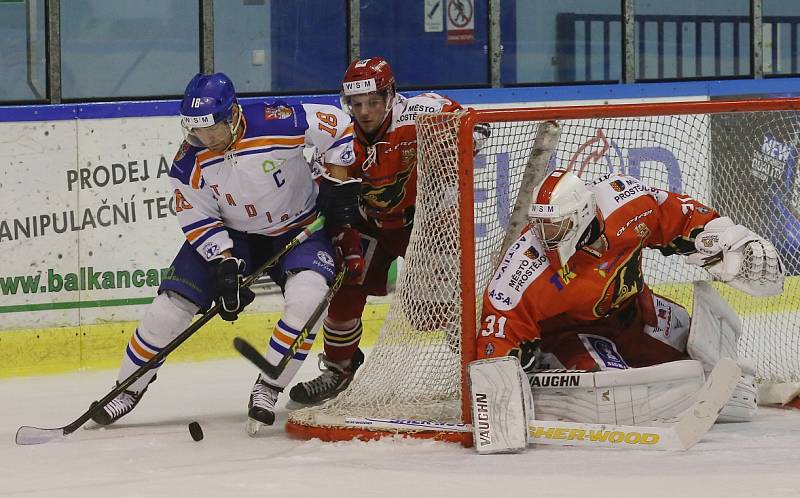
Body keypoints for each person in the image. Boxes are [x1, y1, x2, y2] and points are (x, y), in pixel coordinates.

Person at [90, 72, 356, 434]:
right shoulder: (189, 160)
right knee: (168, 308)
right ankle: (126, 388)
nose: (207, 138)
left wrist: (338, 181)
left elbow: (339, 124)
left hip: (299, 227)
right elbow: (197, 216)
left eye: (213, 128)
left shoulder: (277, 121)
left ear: (232, 114)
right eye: (198, 130)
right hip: (234, 234)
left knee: (308, 300)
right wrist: (225, 264)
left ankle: (268, 387)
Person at [477, 168, 784, 422]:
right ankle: (551, 366)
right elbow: (500, 324)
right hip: (575, 333)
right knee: (615, 398)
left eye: (555, 226)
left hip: (637, 312)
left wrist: (723, 237)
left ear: (582, 214)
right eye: (541, 226)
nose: (546, 237)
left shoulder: (625, 203)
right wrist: (495, 393)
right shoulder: (523, 267)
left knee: (724, 382)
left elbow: (676, 213)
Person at [288, 57, 483, 405]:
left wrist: (468, 134)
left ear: (391, 96)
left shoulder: (422, 111)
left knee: (445, 304)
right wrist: (341, 232)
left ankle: (479, 361)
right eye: (356, 103)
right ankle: (338, 368)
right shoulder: (337, 136)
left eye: (373, 102)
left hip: (426, 222)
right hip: (367, 223)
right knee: (345, 289)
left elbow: (471, 124)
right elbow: (331, 195)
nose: (364, 111)